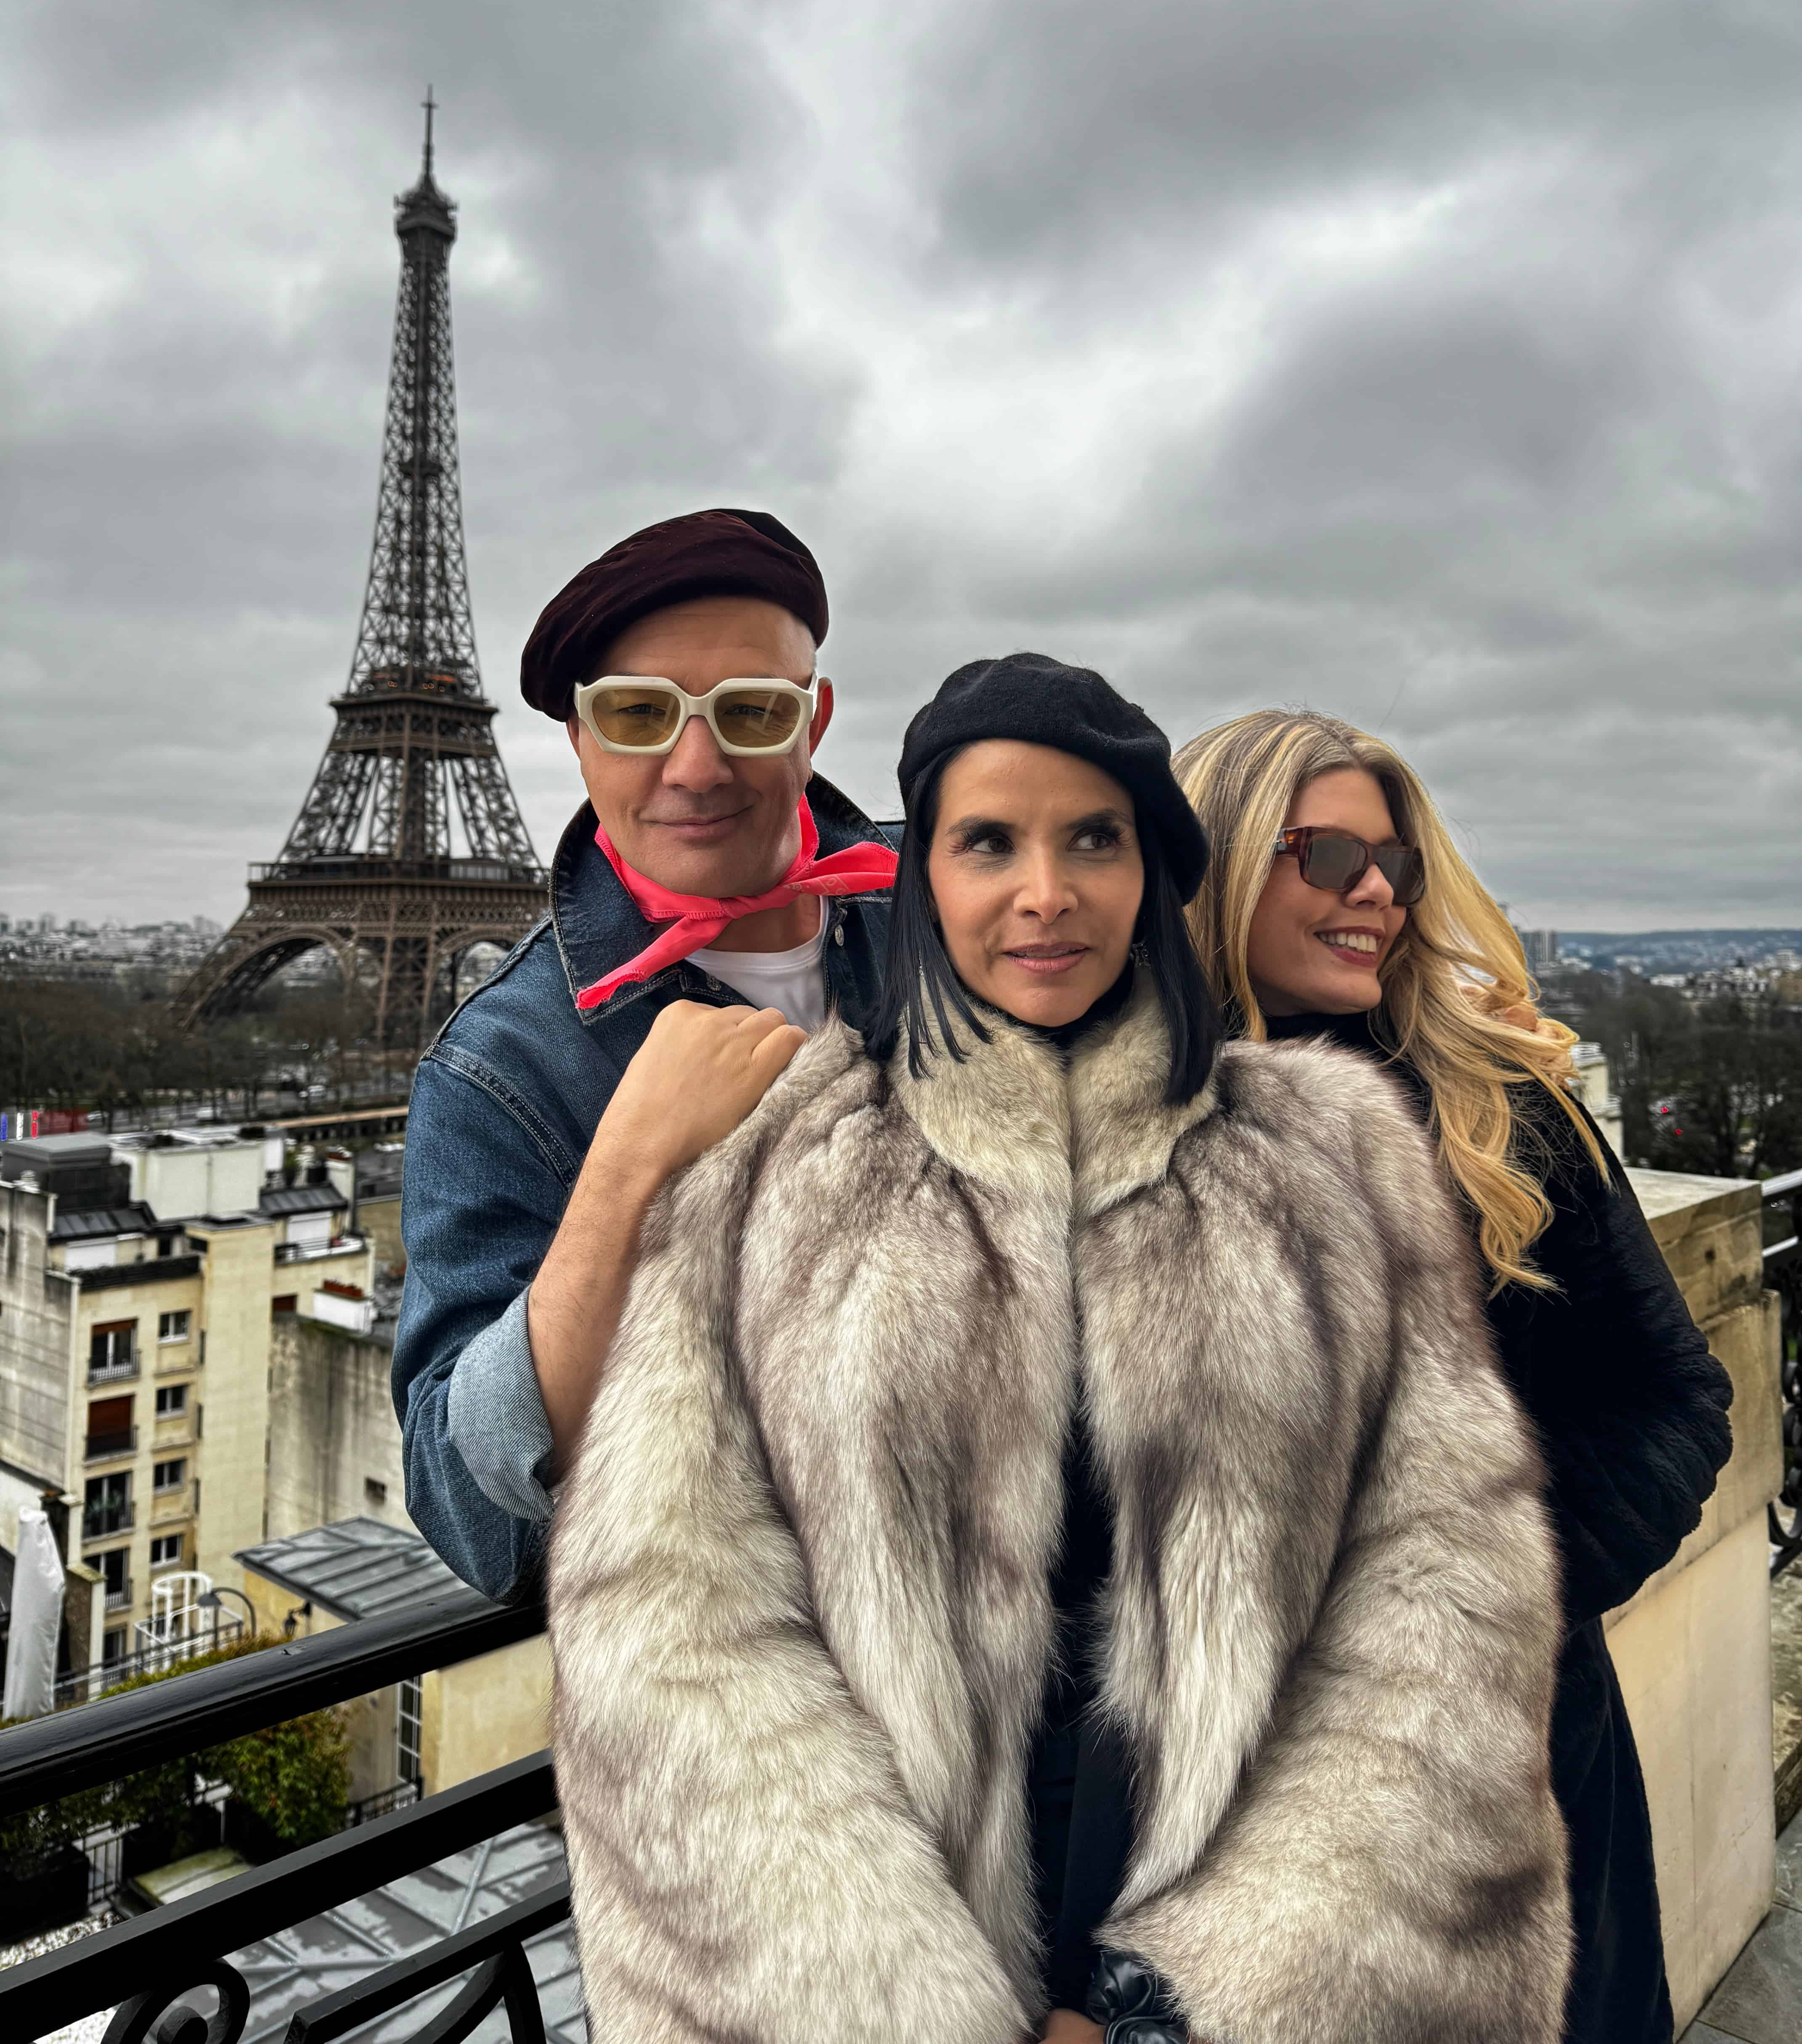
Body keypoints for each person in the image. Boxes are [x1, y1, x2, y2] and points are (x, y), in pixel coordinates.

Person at [549, 653, 1573, 2044]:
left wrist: (1199, 2002)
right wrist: (896, 2003)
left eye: (1094, 838)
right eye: (987, 843)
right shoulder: (763, 1162)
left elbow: (1443, 1591)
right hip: (883, 1957)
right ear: (924, 880)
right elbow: (666, 1623)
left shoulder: (1341, 1152)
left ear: (1153, 872)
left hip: (1260, 1964)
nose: (1045, 892)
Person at [1172, 707, 1735, 2044]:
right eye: (1325, 856)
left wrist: (1486, 1600)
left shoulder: (1501, 1102)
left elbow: (1675, 1399)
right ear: (1217, 863)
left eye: (1396, 863)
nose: (1375, 891)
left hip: (1520, 1751)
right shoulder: (1117, 1124)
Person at [393, 507, 899, 1601]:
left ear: (811, 720)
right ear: (579, 740)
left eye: (750, 711)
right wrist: (626, 1167)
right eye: (637, 714)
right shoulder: (502, 1066)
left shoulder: (955, 907)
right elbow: (477, 1523)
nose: (696, 764)